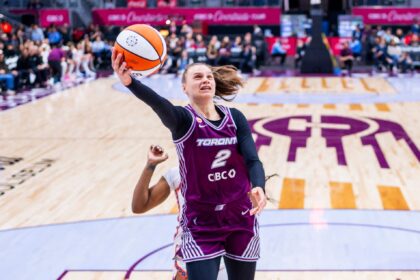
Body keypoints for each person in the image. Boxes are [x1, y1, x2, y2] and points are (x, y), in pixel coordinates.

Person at [112, 50, 266, 280]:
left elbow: (253, 160)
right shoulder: (183, 120)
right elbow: (158, 104)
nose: (205, 80)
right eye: (197, 77)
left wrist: (259, 185)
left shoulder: (235, 118)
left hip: (240, 218)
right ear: (184, 87)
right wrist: (130, 82)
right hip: (201, 225)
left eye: (209, 76)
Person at [132, 145, 228, 280]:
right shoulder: (177, 174)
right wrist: (150, 165)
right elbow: (139, 206)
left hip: (226, 256)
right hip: (188, 256)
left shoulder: (231, 174)